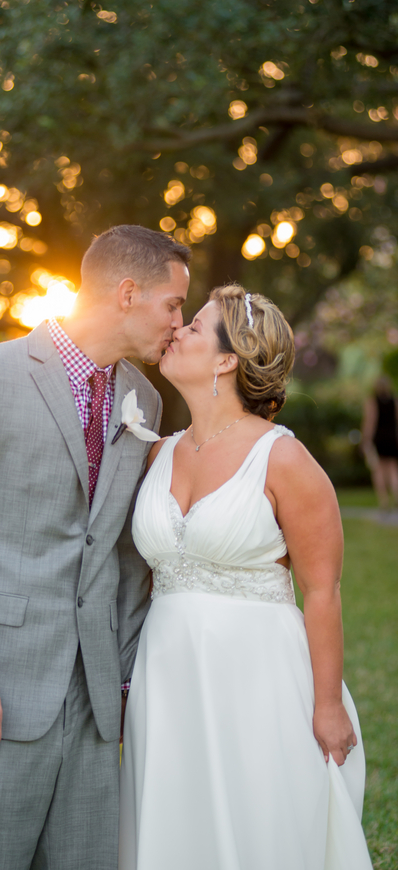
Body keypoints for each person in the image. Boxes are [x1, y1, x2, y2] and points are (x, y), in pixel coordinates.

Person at [0, 225, 191, 870]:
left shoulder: (142, 398)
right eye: (173, 305)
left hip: (92, 704)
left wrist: (118, 675)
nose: (180, 323)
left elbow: (121, 549)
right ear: (126, 293)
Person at [119, 284, 373, 870]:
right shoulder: (159, 454)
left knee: (257, 821)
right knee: (177, 820)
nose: (178, 330)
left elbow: (323, 590)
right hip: (167, 673)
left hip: (257, 674)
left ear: (228, 360)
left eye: (196, 327)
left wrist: (328, 704)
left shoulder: (284, 459)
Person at [361, 376, 398, 509]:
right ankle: (396, 496)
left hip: (379, 438)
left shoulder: (373, 401)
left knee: (378, 469)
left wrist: (365, 440)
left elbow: (370, 422)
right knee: (393, 469)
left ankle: (384, 501)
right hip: (393, 438)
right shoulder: (394, 401)